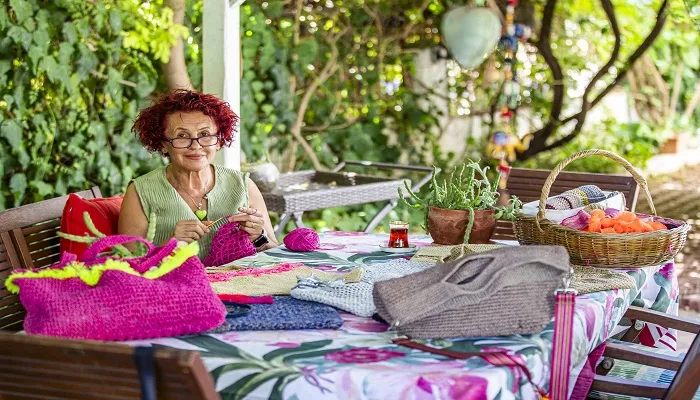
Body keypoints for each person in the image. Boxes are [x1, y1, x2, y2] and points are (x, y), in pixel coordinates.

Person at [118, 89, 278, 257]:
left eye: (204, 134)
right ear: (163, 144)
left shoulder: (242, 184)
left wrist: (259, 237)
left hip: (239, 282)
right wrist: (170, 245)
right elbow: (127, 264)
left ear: (218, 141)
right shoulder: (140, 191)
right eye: (182, 136)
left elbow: (274, 250)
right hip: (173, 283)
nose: (195, 145)